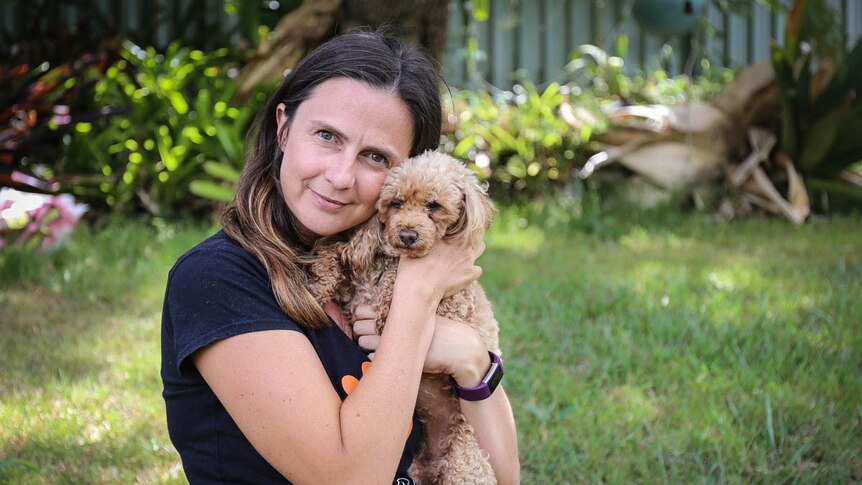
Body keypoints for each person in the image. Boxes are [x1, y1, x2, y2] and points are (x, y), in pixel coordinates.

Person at [161, 30, 520, 484]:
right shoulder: (219, 280)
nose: (341, 176)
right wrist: (417, 299)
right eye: (327, 136)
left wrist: (470, 358)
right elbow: (351, 478)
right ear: (284, 128)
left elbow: (506, 476)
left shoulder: (372, 271)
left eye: (375, 157)